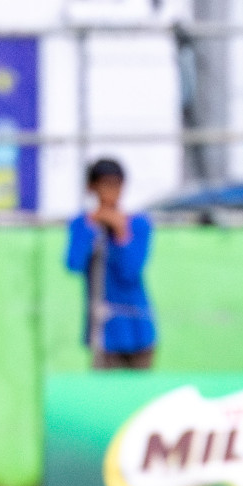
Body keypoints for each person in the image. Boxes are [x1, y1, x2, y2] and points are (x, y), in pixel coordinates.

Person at [65, 158, 155, 369]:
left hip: (137, 330)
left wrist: (122, 234)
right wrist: (92, 227)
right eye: (104, 185)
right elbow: (73, 264)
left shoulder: (138, 225)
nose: (111, 193)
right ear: (91, 188)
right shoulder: (82, 224)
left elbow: (130, 272)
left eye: (116, 185)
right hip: (103, 332)